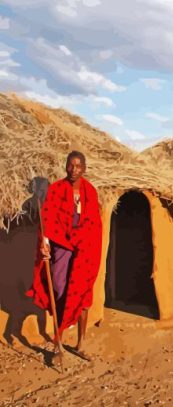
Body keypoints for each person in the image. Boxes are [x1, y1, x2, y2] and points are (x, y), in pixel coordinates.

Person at [26, 151, 102, 360]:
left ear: (84, 168)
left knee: (83, 293)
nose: (74, 170)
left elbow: (95, 225)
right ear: (65, 166)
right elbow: (48, 220)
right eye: (71, 165)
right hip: (61, 246)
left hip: (85, 248)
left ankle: (80, 343)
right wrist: (45, 243)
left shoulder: (90, 192)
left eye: (78, 166)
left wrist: (88, 244)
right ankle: (59, 341)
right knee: (60, 289)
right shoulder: (57, 189)